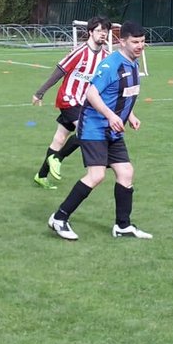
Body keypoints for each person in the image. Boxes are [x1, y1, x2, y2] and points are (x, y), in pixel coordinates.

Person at [48, 21, 152, 241]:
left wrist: (130, 115)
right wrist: (111, 116)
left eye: (142, 41)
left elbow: (123, 94)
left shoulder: (132, 63)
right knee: (96, 176)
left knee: (126, 173)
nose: (140, 46)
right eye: (135, 42)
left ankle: (122, 226)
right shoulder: (110, 65)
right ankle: (59, 218)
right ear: (122, 41)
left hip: (113, 130)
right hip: (94, 127)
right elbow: (92, 94)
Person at [31, 15, 111, 189]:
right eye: (98, 30)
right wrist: (40, 92)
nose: (102, 34)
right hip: (69, 99)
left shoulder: (106, 57)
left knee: (60, 138)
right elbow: (60, 71)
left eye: (105, 31)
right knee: (86, 131)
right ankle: (57, 158)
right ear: (90, 32)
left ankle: (41, 176)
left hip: (85, 103)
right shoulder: (80, 52)